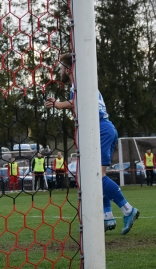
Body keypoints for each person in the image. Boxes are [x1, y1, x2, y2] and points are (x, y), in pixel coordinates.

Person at [45, 53, 139, 235]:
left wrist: (58, 104)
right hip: (103, 129)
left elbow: (77, 103)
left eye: (60, 68)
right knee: (97, 175)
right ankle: (107, 216)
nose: (59, 71)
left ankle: (128, 209)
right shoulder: (81, 82)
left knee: (95, 177)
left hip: (100, 129)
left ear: (69, 68)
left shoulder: (80, 83)